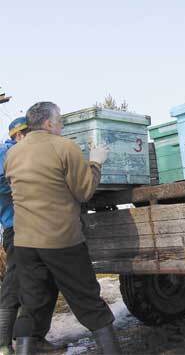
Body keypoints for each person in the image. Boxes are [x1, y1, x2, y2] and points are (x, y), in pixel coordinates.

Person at [4, 102, 121, 355]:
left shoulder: (13, 153)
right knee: (89, 302)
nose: (62, 126)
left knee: (31, 304)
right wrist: (96, 162)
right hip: (61, 241)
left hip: (25, 243)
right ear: (48, 123)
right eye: (59, 121)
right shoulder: (64, 147)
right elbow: (85, 191)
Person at [0, 117, 61, 354]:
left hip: (41, 229)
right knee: (15, 284)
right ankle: (3, 342)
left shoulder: (31, 154)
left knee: (48, 281)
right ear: (19, 136)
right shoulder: (6, 153)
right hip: (18, 229)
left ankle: (35, 337)